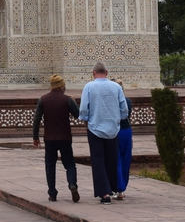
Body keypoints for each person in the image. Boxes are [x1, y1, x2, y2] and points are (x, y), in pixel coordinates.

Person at [78, 61, 128, 204]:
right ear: (106, 73)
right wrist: (118, 119)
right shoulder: (116, 87)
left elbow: (84, 108)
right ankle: (112, 188)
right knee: (111, 159)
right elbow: (124, 108)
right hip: (113, 129)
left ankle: (104, 193)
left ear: (93, 73)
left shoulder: (89, 86)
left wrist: (85, 120)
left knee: (98, 160)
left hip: (95, 128)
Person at [32, 74, 80, 202]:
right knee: (69, 164)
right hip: (65, 138)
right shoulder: (67, 100)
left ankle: (52, 193)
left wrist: (35, 137)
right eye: (64, 86)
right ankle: (72, 184)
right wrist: (74, 103)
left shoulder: (43, 100)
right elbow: (78, 115)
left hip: (50, 138)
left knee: (50, 165)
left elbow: (36, 120)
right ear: (60, 87)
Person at [114, 79, 133, 200]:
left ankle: (119, 187)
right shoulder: (128, 101)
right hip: (126, 131)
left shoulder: (111, 102)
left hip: (115, 131)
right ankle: (122, 187)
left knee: (117, 159)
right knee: (126, 158)